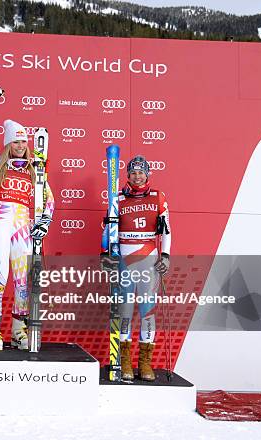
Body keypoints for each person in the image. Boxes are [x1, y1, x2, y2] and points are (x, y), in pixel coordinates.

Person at [0, 87, 55, 351]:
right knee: (0, 276)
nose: (21, 146)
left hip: (23, 224)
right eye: (16, 142)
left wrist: (44, 222)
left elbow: (49, 200)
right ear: (9, 144)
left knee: (23, 282)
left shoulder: (36, 170)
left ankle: (18, 331)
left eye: (24, 141)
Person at [101, 156, 171, 381]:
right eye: (133, 173)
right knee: (125, 310)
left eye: (141, 172)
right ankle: (125, 362)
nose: (137, 176)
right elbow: (107, 230)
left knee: (147, 311)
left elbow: (167, 230)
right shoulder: (118, 198)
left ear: (148, 174)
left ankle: (145, 363)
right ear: (128, 175)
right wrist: (105, 253)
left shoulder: (158, 197)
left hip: (149, 257)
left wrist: (166, 256)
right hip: (124, 257)